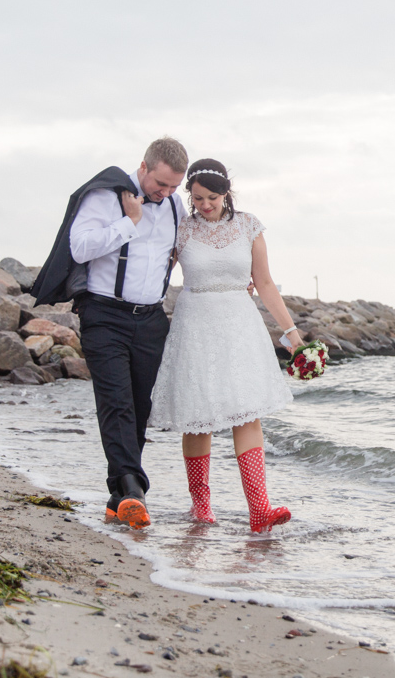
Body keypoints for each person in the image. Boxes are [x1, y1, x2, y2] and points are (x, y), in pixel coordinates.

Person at [149, 158, 305, 533]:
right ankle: (201, 507)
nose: (205, 205)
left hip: (239, 325)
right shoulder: (182, 230)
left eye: (213, 198)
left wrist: (292, 334)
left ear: (227, 194)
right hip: (195, 322)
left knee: (247, 412)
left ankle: (259, 510)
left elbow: (264, 284)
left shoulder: (249, 226)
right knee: (197, 416)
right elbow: (155, 274)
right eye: (198, 198)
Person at [68, 137, 189, 529]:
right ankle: (135, 490)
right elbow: (79, 247)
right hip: (104, 313)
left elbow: (186, 249)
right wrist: (129, 221)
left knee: (138, 408)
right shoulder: (106, 196)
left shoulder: (174, 204)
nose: (166, 193)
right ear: (144, 167)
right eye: (161, 185)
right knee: (116, 402)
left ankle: (118, 497)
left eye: (173, 187)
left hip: (151, 318)